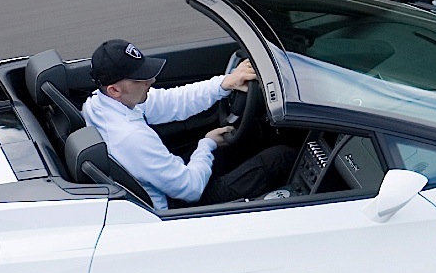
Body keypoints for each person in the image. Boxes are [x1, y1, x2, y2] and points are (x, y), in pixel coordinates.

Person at [79, 39, 295, 211]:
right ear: (114, 90)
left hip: (171, 181)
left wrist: (225, 83)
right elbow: (191, 189)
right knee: (281, 157)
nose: (151, 81)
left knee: (252, 137)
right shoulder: (131, 137)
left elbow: (173, 101)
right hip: (180, 206)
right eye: (140, 79)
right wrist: (207, 145)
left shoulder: (98, 103)